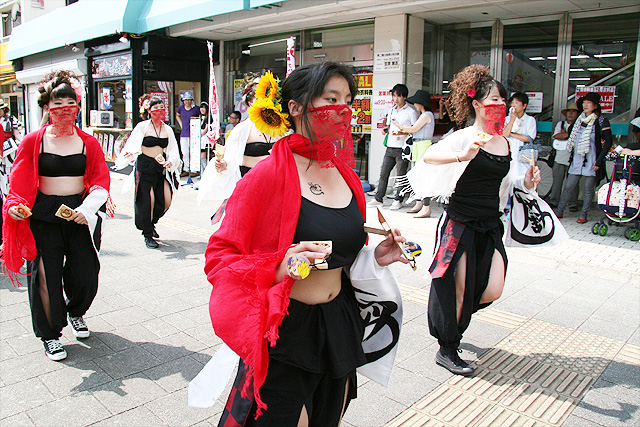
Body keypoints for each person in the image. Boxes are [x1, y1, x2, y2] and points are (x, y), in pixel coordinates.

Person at [204, 61, 408, 426]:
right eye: (331, 98)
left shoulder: (346, 174)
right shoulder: (267, 175)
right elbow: (220, 257)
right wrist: (280, 267)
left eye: (348, 100)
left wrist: (375, 257)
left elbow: (342, 254)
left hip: (339, 325)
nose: (343, 109)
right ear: (296, 107)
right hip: (287, 332)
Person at [414, 65, 540, 376]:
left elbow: (506, 183)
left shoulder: (505, 143)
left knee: (492, 288)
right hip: (460, 222)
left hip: (490, 224)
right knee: (457, 287)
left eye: (503, 100)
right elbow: (428, 157)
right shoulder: (465, 137)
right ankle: (448, 346)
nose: (501, 105)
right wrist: (462, 155)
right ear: (477, 104)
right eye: (494, 99)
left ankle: (453, 320)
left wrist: (527, 182)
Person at [1, 70, 111, 361]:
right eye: (57, 103)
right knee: (45, 277)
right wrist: (14, 207)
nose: (64, 108)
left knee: (86, 273)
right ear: (47, 106)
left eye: (69, 103)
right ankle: (50, 335)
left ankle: (76, 311)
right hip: (43, 217)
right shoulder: (32, 141)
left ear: (78, 106)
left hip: (79, 215)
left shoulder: (89, 142)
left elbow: (101, 181)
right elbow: (18, 184)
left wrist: (86, 210)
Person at [197, 76, 280, 207]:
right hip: (250, 184)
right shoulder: (242, 129)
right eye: (259, 99)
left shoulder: (282, 127)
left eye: (267, 98)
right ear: (250, 103)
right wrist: (223, 164)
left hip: (276, 185)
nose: (265, 103)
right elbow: (230, 158)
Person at [114, 95, 181, 248]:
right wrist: (129, 153)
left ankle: (151, 223)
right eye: (155, 108)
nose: (159, 110)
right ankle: (147, 233)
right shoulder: (142, 126)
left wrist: (171, 161)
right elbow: (132, 144)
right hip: (144, 167)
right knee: (147, 201)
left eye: (161, 107)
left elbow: (173, 149)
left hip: (160, 168)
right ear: (149, 110)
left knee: (165, 200)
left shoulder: (167, 129)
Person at [555, 92, 613, 223]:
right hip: (577, 159)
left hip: (592, 159)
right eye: (584, 103)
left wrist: (599, 161)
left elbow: (608, 141)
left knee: (588, 189)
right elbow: (571, 134)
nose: (585, 105)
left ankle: (583, 214)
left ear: (595, 106)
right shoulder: (579, 120)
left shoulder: (601, 120)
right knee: (568, 186)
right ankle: (559, 211)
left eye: (589, 103)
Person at [368, 84, 418, 209]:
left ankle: (398, 200)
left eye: (398, 96)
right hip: (390, 146)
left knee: (401, 176)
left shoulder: (411, 112)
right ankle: (378, 198)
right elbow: (389, 126)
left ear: (404, 97)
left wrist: (402, 132)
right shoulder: (391, 110)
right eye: (394, 96)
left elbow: (414, 130)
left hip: (402, 148)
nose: (395, 99)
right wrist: (386, 129)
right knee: (383, 174)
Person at [392, 89, 435, 218]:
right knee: (417, 176)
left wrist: (398, 125)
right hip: (419, 146)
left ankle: (425, 207)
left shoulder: (426, 115)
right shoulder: (425, 115)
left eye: (416, 102)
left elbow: (413, 129)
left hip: (422, 146)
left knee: (422, 176)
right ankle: (419, 203)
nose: (415, 104)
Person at [548, 103, 580, 209]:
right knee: (557, 182)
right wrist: (569, 135)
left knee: (573, 183)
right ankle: (554, 201)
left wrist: (566, 134)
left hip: (574, 158)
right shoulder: (560, 124)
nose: (570, 113)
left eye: (573, 111)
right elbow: (556, 136)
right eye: (569, 111)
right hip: (559, 157)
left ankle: (573, 203)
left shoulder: (579, 125)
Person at [504, 91, 537, 178]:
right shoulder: (507, 119)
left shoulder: (530, 120)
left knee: (522, 177)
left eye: (516, 103)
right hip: (508, 151)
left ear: (524, 106)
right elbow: (504, 135)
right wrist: (512, 120)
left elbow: (529, 138)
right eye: (512, 103)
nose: (513, 105)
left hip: (523, 155)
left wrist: (511, 134)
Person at [176, 91, 200, 177]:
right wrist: (181, 124)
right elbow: (177, 115)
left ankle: (194, 169)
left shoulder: (196, 108)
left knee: (193, 152)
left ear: (191, 100)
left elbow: (203, 115)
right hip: (184, 133)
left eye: (189, 100)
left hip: (194, 133)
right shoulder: (181, 108)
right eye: (185, 100)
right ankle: (186, 169)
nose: (187, 102)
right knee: (185, 153)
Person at [199, 101, 213, 173]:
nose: (202, 109)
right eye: (201, 107)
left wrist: (199, 135)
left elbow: (206, 129)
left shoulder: (209, 117)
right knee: (200, 158)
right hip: (200, 139)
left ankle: (206, 172)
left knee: (203, 157)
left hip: (205, 139)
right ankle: (202, 173)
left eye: (204, 108)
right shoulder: (199, 117)